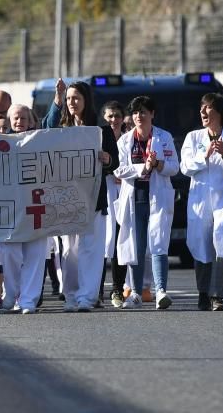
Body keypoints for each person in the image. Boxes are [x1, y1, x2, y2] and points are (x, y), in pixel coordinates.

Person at [43, 78, 120, 312]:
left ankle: (87, 297)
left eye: (75, 98)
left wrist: (107, 160)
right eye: (68, 99)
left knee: (92, 249)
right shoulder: (62, 130)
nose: (71, 102)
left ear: (86, 100)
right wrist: (57, 100)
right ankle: (71, 295)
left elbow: (114, 161)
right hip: (66, 200)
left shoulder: (101, 130)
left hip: (94, 200)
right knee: (69, 251)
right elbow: (46, 128)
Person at [180, 92, 223, 312]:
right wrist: (205, 156)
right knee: (200, 243)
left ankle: (217, 295)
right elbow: (185, 167)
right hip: (200, 197)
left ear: (219, 112)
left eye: (207, 107)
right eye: (201, 108)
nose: (202, 112)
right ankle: (202, 293)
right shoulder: (193, 138)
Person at [113, 96, 179, 310]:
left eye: (143, 112)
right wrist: (143, 167)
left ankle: (160, 291)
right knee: (135, 246)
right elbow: (119, 169)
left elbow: (174, 167)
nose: (139, 116)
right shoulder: (124, 141)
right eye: (135, 112)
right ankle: (135, 293)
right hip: (135, 198)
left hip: (157, 197)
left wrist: (158, 164)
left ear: (152, 114)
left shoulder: (164, 137)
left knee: (158, 245)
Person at [0, 104, 47, 314]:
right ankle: (11, 294)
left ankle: (28, 300)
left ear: (31, 121)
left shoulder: (40, 140)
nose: (19, 122)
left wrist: (58, 100)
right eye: (16, 118)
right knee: (10, 253)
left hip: (36, 204)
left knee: (35, 254)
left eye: (23, 119)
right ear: (10, 120)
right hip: (11, 209)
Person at [101, 100, 128, 308]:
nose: (113, 120)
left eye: (117, 116)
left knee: (121, 239)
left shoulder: (128, 140)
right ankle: (97, 289)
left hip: (124, 192)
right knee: (103, 240)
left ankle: (117, 289)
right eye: (110, 116)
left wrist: (123, 173)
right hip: (106, 191)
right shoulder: (99, 138)